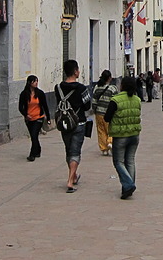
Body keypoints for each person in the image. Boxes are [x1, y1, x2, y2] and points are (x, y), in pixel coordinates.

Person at [54, 59, 92, 193]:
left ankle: (73, 175)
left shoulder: (58, 88)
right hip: (79, 122)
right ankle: (70, 181)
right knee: (75, 151)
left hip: (64, 123)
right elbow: (87, 106)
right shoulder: (82, 88)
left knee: (68, 150)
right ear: (75, 71)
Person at [104, 75, 142, 199]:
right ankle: (128, 187)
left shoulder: (115, 100)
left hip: (120, 136)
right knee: (130, 160)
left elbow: (107, 117)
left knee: (118, 162)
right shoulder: (137, 100)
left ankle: (129, 184)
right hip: (134, 135)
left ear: (122, 86)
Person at [18, 74, 51, 161]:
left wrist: (48, 118)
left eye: (37, 81)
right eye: (34, 81)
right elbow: (20, 107)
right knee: (34, 136)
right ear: (29, 83)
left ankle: (32, 154)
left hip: (39, 117)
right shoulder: (24, 94)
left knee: (34, 135)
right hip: (29, 118)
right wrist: (26, 115)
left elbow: (45, 106)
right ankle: (38, 150)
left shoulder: (40, 93)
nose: (36, 83)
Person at [92, 70, 119, 156]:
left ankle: (104, 149)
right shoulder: (113, 88)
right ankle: (110, 142)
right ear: (109, 78)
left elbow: (94, 101)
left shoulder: (97, 88)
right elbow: (116, 101)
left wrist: (95, 110)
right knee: (111, 129)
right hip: (109, 113)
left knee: (101, 131)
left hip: (99, 113)